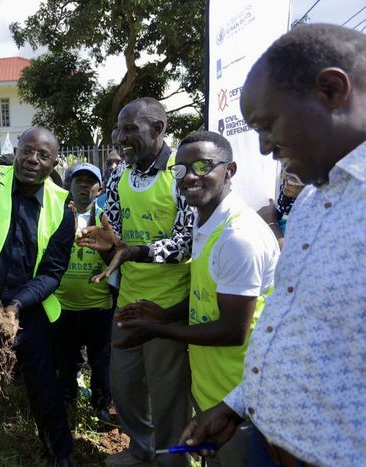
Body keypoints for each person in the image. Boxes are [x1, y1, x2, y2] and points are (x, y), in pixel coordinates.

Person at [180, 24, 366, 467]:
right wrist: (236, 405)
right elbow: (298, 329)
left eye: (268, 126)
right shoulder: (309, 205)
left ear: (331, 90)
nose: (264, 148)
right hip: (267, 440)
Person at [105, 131, 279, 466]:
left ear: (230, 170)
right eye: (181, 170)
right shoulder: (207, 222)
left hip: (243, 399)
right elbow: (208, 298)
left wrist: (159, 330)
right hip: (215, 389)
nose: (190, 177)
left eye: (202, 166)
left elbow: (232, 331)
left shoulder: (238, 238)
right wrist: (164, 315)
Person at [77, 97, 193, 467]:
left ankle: (172, 461)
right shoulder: (120, 174)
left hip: (168, 306)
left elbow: (186, 242)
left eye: (130, 129)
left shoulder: (182, 173)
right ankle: (142, 451)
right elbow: (112, 231)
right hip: (127, 299)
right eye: (118, 129)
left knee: (167, 395)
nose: (119, 137)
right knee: (124, 386)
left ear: (158, 129)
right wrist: (104, 243)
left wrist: (134, 251)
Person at [0, 127, 76, 466]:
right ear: (17, 149)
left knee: (42, 382)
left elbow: (53, 271)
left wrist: (17, 306)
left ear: (53, 162)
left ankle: (60, 449)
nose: (32, 160)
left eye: (43, 156)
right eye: (28, 150)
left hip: (28, 306)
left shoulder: (60, 205)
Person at [52, 162, 114, 426]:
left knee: (101, 364)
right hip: (63, 306)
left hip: (99, 306)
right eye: (79, 181)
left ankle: (101, 407)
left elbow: (115, 256)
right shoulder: (58, 216)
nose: (85, 186)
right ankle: (67, 403)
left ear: (99, 188)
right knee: (65, 363)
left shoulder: (107, 218)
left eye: (91, 181)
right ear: (70, 185)